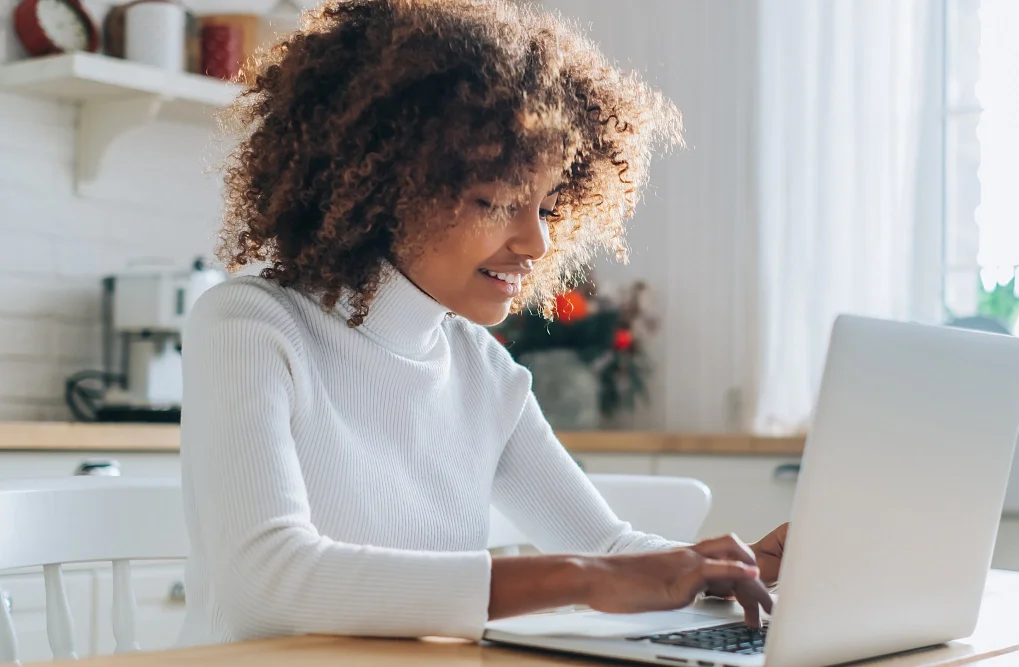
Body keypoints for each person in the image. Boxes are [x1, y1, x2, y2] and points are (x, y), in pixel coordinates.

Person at [178, 0, 788, 646]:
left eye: (549, 206)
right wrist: (579, 576)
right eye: (497, 202)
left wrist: (728, 565)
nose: (537, 243)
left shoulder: (482, 369)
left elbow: (606, 545)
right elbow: (266, 580)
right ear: (385, 189)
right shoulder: (251, 325)